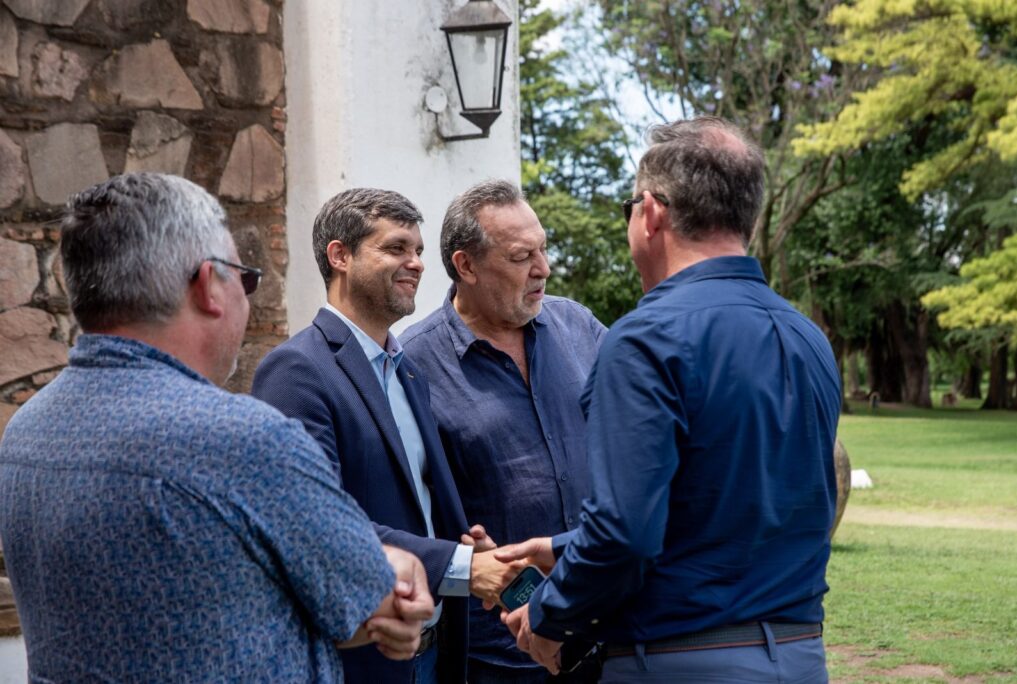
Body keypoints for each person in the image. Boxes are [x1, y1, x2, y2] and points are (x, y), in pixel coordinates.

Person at [0, 173, 433, 683]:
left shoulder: (25, 430)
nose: (247, 299)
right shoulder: (242, 440)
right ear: (208, 285)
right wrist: (399, 570)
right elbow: (372, 598)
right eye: (245, 278)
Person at [500, 117, 843, 682]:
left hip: (680, 659)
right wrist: (562, 547)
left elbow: (626, 534)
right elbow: (729, 504)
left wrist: (546, 613)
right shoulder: (807, 337)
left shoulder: (646, 339)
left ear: (652, 213)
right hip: (800, 653)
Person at [252, 188, 522, 684]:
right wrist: (463, 566)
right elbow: (316, 521)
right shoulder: (295, 371)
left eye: (418, 250)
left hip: (437, 652)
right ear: (340, 256)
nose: (417, 263)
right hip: (362, 659)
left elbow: (419, 498)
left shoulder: (407, 371)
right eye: (396, 248)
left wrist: (469, 544)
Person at [400, 179, 606, 683]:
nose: (543, 269)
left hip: (606, 631)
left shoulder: (578, 327)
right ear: (465, 265)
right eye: (521, 257)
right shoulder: (413, 362)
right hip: (497, 652)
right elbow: (406, 500)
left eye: (543, 249)